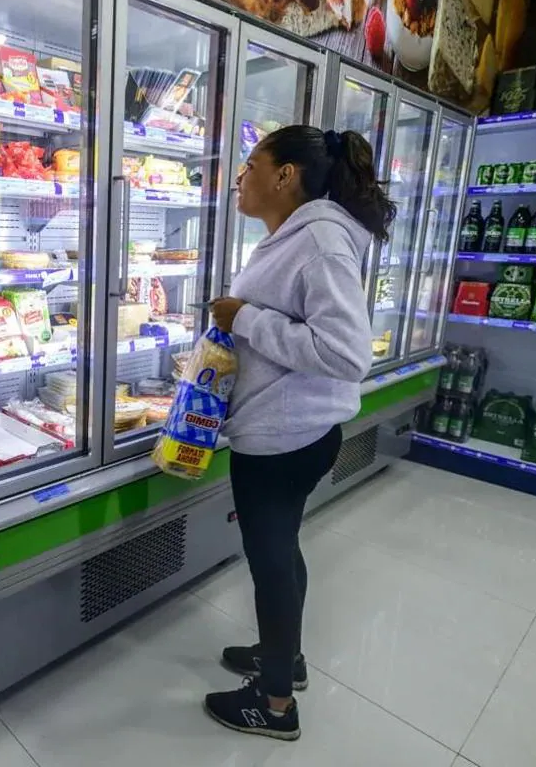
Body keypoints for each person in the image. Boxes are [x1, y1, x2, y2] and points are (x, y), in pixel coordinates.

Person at [202, 125, 393, 740]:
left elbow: (346, 354)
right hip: (287, 426)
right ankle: (282, 656)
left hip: (286, 436)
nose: (240, 176)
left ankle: (275, 704)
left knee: (272, 563)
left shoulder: (320, 244)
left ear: (286, 176)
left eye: (251, 163)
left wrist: (247, 318)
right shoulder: (299, 236)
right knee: (282, 553)